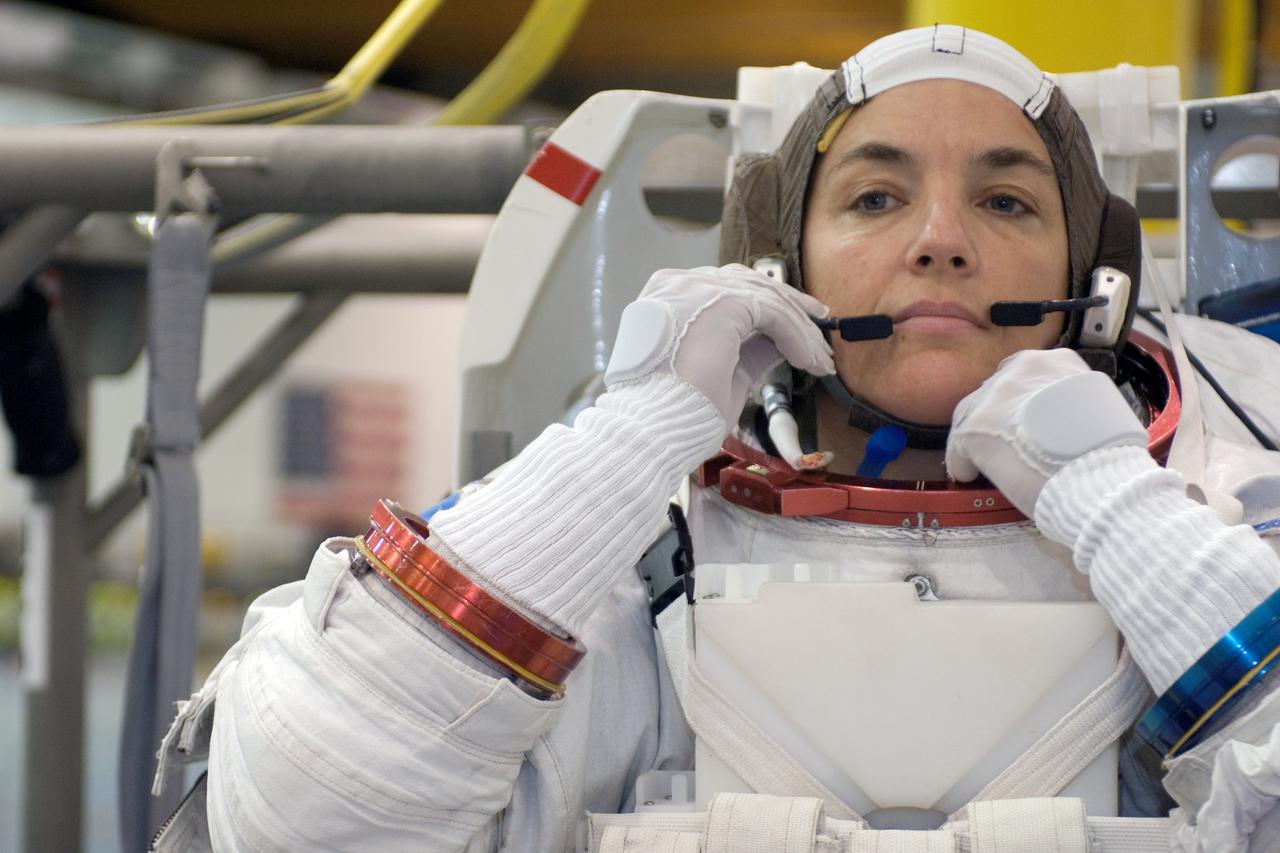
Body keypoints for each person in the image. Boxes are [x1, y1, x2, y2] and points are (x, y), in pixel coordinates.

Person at [153, 25, 1280, 852]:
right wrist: (634, 432)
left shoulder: (1223, 498)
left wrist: (1117, 508)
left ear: (1092, 283)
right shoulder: (629, 550)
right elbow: (304, 819)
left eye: (1006, 202)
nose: (940, 239)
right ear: (780, 265)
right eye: (875, 198)